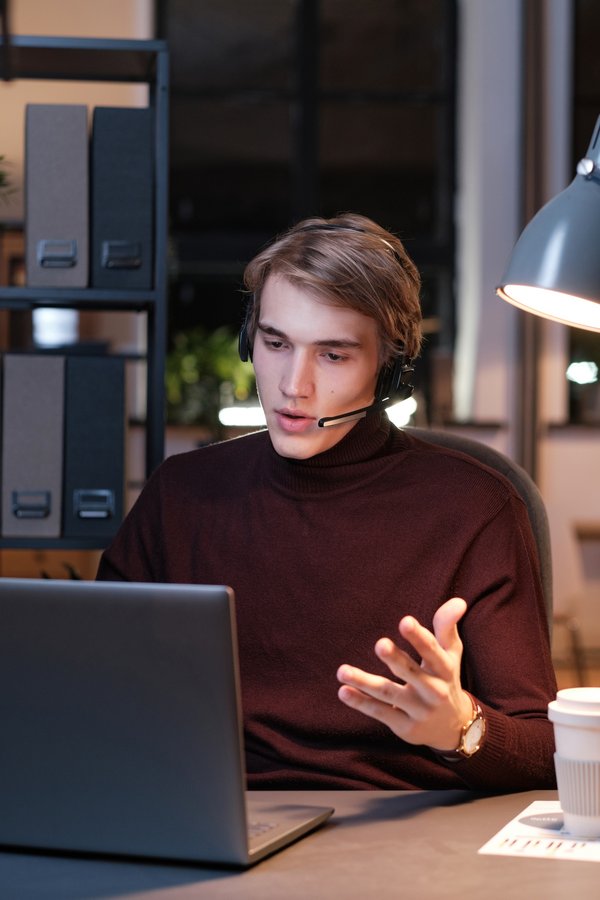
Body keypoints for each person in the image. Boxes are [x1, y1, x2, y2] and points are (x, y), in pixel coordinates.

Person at [97, 213, 558, 792]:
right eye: (275, 343)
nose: (294, 385)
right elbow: (94, 687)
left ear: (389, 368)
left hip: (399, 826)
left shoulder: (475, 507)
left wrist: (461, 728)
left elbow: (545, 748)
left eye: (333, 355)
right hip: (217, 811)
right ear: (249, 341)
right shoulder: (180, 495)